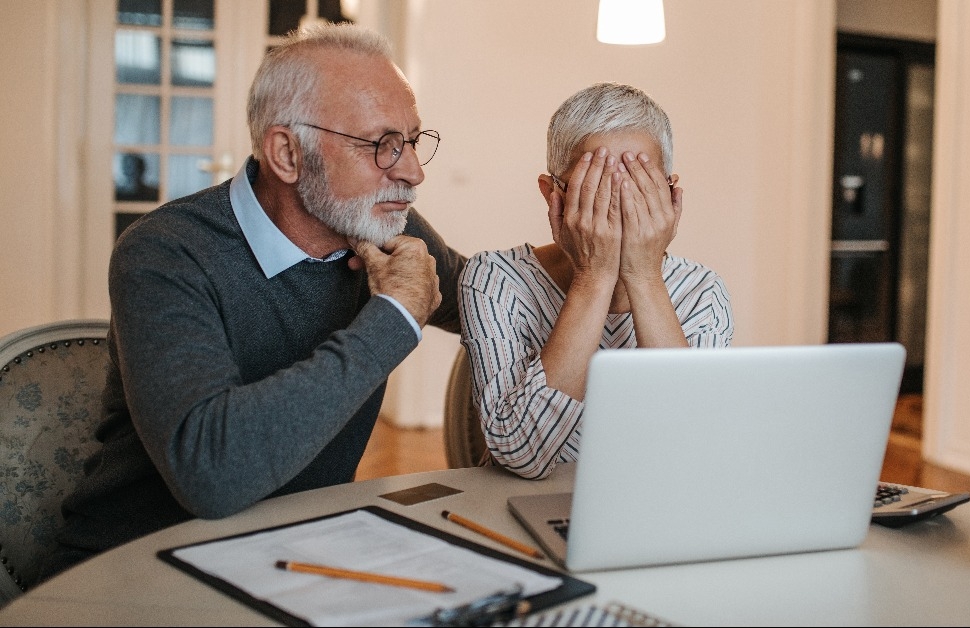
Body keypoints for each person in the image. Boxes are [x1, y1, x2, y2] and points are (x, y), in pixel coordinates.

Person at [41, 23, 465, 582]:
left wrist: (595, 242)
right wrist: (392, 320)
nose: (413, 171)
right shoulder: (166, 253)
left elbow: (487, 296)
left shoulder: (379, 226)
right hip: (135, 573)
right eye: (381, 146)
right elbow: (211, 474)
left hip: (291, 558)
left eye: (412, 140)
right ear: (287, 153)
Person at [458, 82, 734, 480]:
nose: (617, 206)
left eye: (640, 187)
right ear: (553, 194)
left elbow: (693, 448)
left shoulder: (702, 292)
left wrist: (643, 275)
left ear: (671, 197)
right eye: (596, 188)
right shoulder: (494, 280)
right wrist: (594, 275)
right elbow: (521, 455)